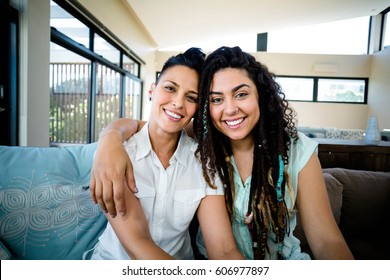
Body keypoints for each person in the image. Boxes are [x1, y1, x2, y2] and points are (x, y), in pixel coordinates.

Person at [90, 46, 354, 260]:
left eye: (241, 94)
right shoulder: (197, 149)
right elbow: (155, 126)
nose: (229, 110)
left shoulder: (211, 158)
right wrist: (110, 138)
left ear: (261, 95)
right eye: (216, 99)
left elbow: (326, 240)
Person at [87, 47, 244, 260]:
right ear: (152, 90)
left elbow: (224, 250)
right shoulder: (119, 153)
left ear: (199, 108)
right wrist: (110, 137)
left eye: (191, 97)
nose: (178, 103)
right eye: (170, 88)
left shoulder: (204, 163)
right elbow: (137, 244)